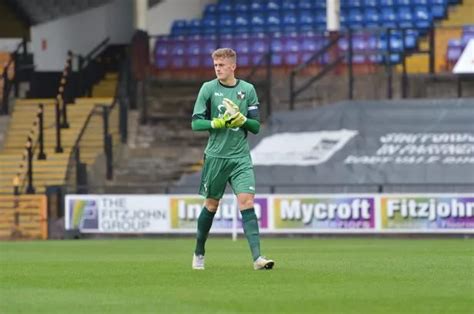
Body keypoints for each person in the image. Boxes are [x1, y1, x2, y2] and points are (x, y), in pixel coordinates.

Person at [191, 48, 274, 271]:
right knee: (211, 205)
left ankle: (257, 258)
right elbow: (195, 123)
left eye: (221, 65)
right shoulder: (208, 89)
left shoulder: (248, 90)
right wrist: (216, 123)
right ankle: (199, 251)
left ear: (232, 67)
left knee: (247, 202)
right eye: (215, 65)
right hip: (216, 156)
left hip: (240, 157)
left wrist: (242, 119)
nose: (217, 69)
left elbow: (256, 127)